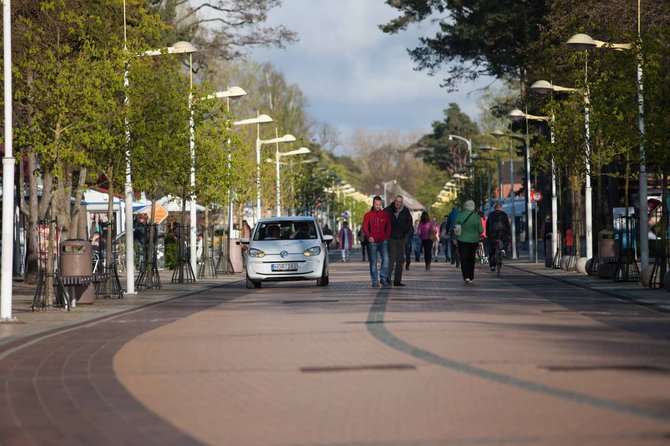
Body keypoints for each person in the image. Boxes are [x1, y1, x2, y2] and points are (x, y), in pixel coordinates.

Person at [362, 195, 391, 287]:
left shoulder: (385, 215)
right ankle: (375, 281)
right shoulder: (368, 215)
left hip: (383, 241)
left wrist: (386, 237)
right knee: (373, 262)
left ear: (381, 204)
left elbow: (389, 227)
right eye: (376, 204)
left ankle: (383, 277)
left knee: (386, 259)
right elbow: (364, 227)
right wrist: (369, 236)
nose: (377, 206)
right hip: (372, 242)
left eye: (379, 204)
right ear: (373, 204)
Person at [384, 195, 413, 286]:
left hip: (401, 237)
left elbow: (409, 223)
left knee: (400, 259)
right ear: (394, 201)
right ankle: (387, 278)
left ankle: (397, 280)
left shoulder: (405, 211)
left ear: (402, 203)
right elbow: (383, 222)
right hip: (391, 237)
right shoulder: (387, 210)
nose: (398, 203)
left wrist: (406, 232)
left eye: (400, 202)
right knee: (391, 258)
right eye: (396, 201)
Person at [455, 200, 484, 283]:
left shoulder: (460, 216)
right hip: (473, 240)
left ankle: (466, 277)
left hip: (462, 240)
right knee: (471, 258)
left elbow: (455, 227)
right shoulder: (477, 217)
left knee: (463, 258)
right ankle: (471, 276)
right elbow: (481, 230)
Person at [486, 202, 512, 272]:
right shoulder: (504, 214)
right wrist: (509, 233)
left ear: (495, 208)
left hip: (492, 233)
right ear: (501, 208)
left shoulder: (490, 215)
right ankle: (503, 250)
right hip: (502, 233)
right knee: (506, 241)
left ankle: (492, 266)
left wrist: (487, 233)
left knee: (491, 248)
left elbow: (487, 225)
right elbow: (507, 225)